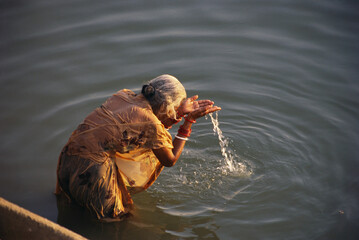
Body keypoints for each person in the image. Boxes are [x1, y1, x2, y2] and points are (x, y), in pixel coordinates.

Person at [55, 74, 221, 220]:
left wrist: (177, 112)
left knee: (75, 211)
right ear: (168, 106)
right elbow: (170, 159)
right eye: (175, 108)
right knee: (121, 220)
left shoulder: (122, 95)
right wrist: (188, 122)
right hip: (91, 173)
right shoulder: (149, 122)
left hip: (68, 159)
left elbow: (145, 127)